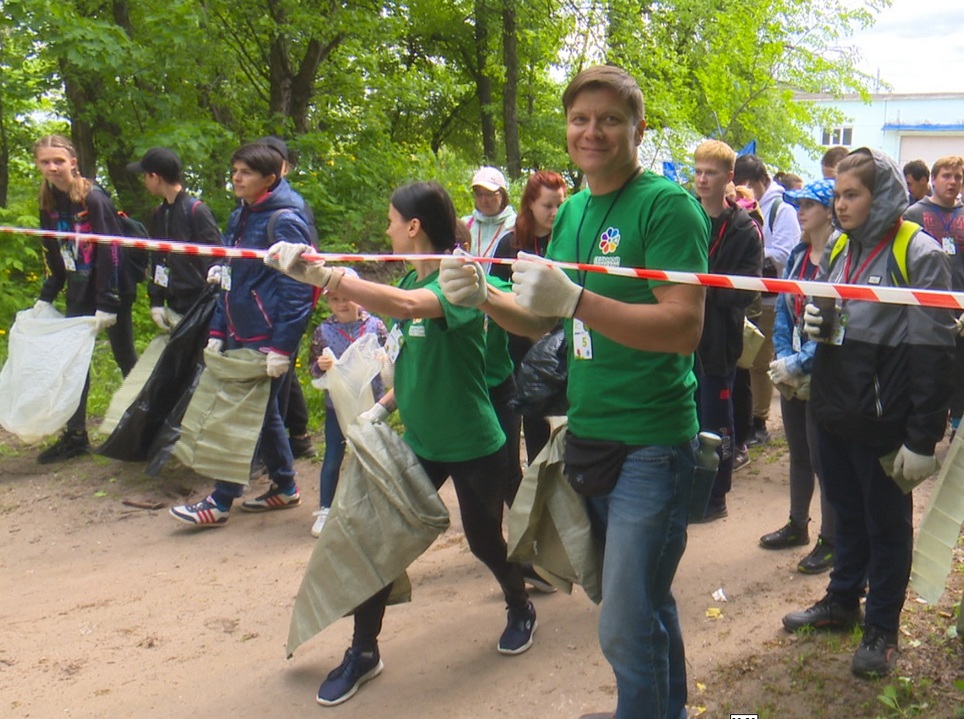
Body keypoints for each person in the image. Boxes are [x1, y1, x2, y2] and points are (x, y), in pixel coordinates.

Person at [437, 65, 709, 719]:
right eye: (581, 118)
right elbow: (544, 319)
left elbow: (683, 327)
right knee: (644, 599)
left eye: (610, 118)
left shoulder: (668, 206)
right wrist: (484, 296)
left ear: (637, 129)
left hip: (654, 441)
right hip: (589, 433)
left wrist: (578, 298)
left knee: (624, 613)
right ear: (567, 129)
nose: (593, 131)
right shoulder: (577, 209)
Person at [265, 180, 538, 705]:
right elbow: (414, 358)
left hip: (473, 441)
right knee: (377, 541)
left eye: (392, 219)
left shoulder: (454, 286)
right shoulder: (415, 277)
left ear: (414, 227)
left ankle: (520, 604)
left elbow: (410, 307)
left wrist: (331, 275)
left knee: (484, 541)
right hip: (422, 441)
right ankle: (364, 651)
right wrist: (383, 407)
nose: (387, 228)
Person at [781, 148, 954, 679]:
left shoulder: (918, 252)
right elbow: (838, 320)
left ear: (881, 196)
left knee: (886, 526)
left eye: (851, 194)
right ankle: (841, 601)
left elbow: (934, 351)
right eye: (836, 195)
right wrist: (816, 335)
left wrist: (923, 437)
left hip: (885, 420)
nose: (840, 205)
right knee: (845, 512)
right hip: (834, 407)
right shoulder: (838, 246)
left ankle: (881, 628)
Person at [169, 141, 317, 526]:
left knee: (238, 415)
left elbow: (300, 287)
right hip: (239, 327)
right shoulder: (241, 214)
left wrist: (282, 347)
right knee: (263, 415)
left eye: (246, 172)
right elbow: (233, 275)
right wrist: (219, 326)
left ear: (270, 178)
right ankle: (285, 487)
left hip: (266, 335)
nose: (236, 177)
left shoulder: (283, 219)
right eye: (234, 169)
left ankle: (220, 501)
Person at [31, 134, 134, 464]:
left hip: (112, 288)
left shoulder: (93, 198)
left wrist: (108, 300)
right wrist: (47, 295)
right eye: (45, 162)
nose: (52, 167)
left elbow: (111, 248)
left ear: (72, 163)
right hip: (78, 289)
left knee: (125, 356)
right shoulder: (47, 202)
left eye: (58, 161)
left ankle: (147, 424)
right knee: (74, 365)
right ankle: (75, 436)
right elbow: (54, 252)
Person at [759, 176, 840, 574]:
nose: (800, 210)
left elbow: (834, 322)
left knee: (825, 459)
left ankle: (832, 539)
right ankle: (797, 524)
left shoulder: (841, 257)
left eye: (809, 203)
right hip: (792, 366)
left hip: (825, 371)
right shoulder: (798, 254)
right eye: (798, 203)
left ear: (828, 209)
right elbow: (783, 308)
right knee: (799, 454)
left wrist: (802, 362)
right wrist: (783, 356)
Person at [690, 139, 763, 522]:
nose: (702, 179)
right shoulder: (683, 215)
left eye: (711, 173)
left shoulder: (743, 229)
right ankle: (688, 488)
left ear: (729, 179)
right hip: (679, 336)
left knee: (715, 419)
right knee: (684, 418)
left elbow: (747, 289)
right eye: (698, 171)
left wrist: (702, 286)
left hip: (718, 340)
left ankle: (716, 493)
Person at [903, 155, 964, 434]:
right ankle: (923, 420)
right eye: (946, 176)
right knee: (923, 364)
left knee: (959, 367)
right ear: (933, 180)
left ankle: (957, 423)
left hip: (961, 308)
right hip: (924, 307)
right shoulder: (914, 213)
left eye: (958, 177)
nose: (952, 182)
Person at [306, 271, 388, 537]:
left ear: (359, 298)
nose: (342, 304)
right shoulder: (324, 332)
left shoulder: (375, 326)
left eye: (348, 297)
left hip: (372, 406)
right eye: (336, 299)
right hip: (337, 407)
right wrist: (321, 366)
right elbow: (313, 369)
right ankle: (326, 509)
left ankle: (377, 505)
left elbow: (392, 356)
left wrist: (384, 359)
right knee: (333, 455)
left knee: (372, 454)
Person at [492, 170, 566, 463]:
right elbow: (495, 293)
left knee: (561, 413)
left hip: (559, 342)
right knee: (531, 417)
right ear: (530, 204)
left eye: (560, 204)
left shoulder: (566, 240)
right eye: (548, 205)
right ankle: (532, 484)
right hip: (518, 343)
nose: (555, 212)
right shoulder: (509, 244)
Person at [257, 136, 317, 460]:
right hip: (263, 306)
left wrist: (294, 312)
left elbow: (306, 266)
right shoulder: (250, 208)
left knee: (278, 377)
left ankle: (279, 462)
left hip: (285, 305)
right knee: (284, 373)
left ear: (282, 168)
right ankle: (299, 437)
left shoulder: (292, 209)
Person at [735, 153, 798, 446]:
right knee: (745, 360)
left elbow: (786, 253)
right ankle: (747, 416)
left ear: (759, 181)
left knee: (760, 362)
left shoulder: (781, 211)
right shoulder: (745, 208)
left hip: (771, 298)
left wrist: (752, 257)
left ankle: (758, 420)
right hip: (746, 297)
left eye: (746, 185)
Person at [127, 147, 223, 330]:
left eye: (145, 176)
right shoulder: (159, 213)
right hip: (174, 305)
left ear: (155, 177)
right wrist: (156, 300)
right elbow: (158, 259)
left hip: (200, 308)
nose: (143, 181)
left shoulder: (197, 211)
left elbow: (217, 258)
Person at [466, 166, 517, 259]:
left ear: (503, 195)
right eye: (479, 194)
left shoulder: (514, 225)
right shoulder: (466, 225)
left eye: (489, 194)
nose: (484, 200)